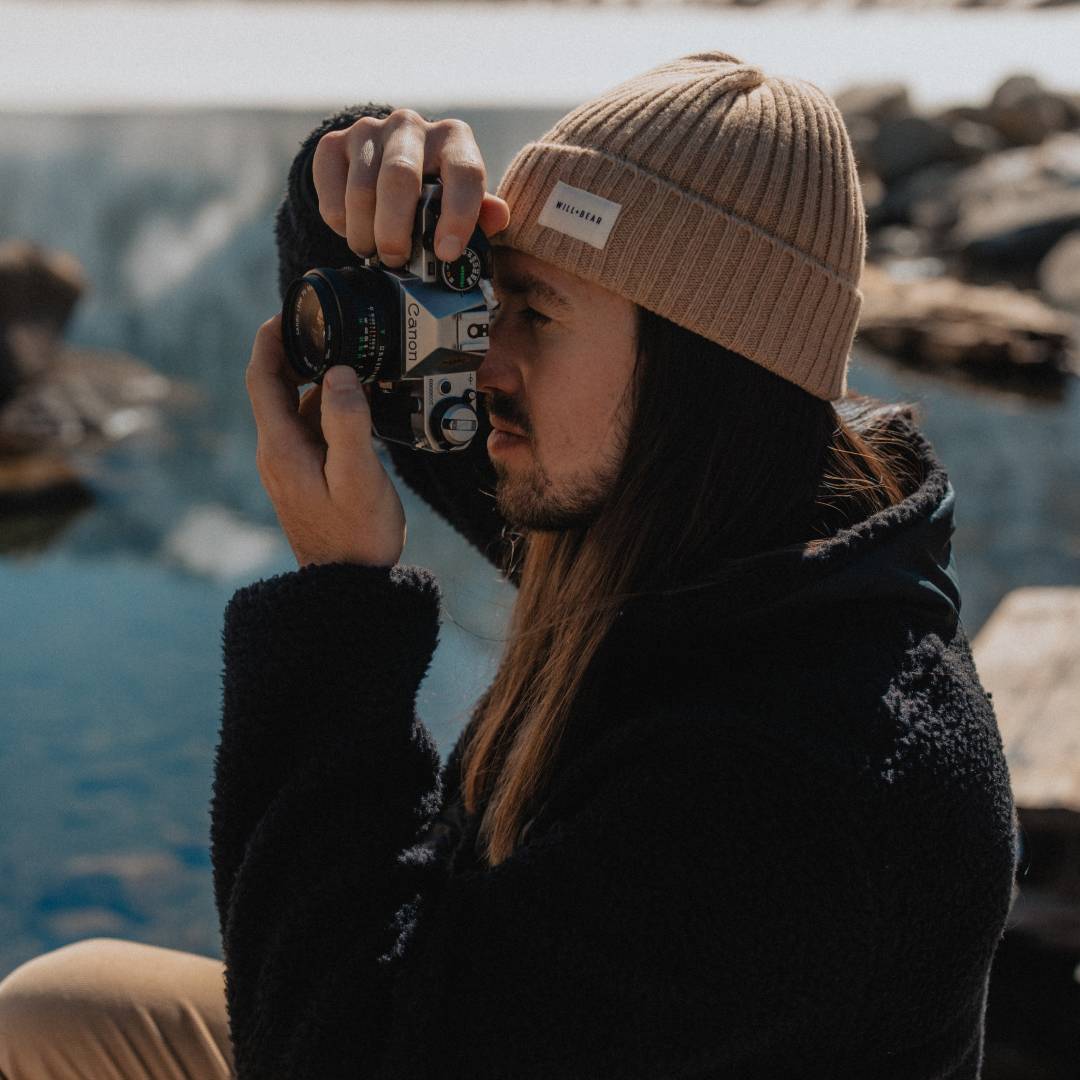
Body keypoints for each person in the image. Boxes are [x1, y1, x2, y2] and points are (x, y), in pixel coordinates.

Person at [0, 51, 1019, 1080]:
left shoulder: (801, 783)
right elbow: (431, 408)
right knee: (58, 1013)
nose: (479, 361)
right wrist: (350, 184)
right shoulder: (706, 537)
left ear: (701, 374)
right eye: (490, 301)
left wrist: (341, 606)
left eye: (537, 313)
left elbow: (338, 1053)